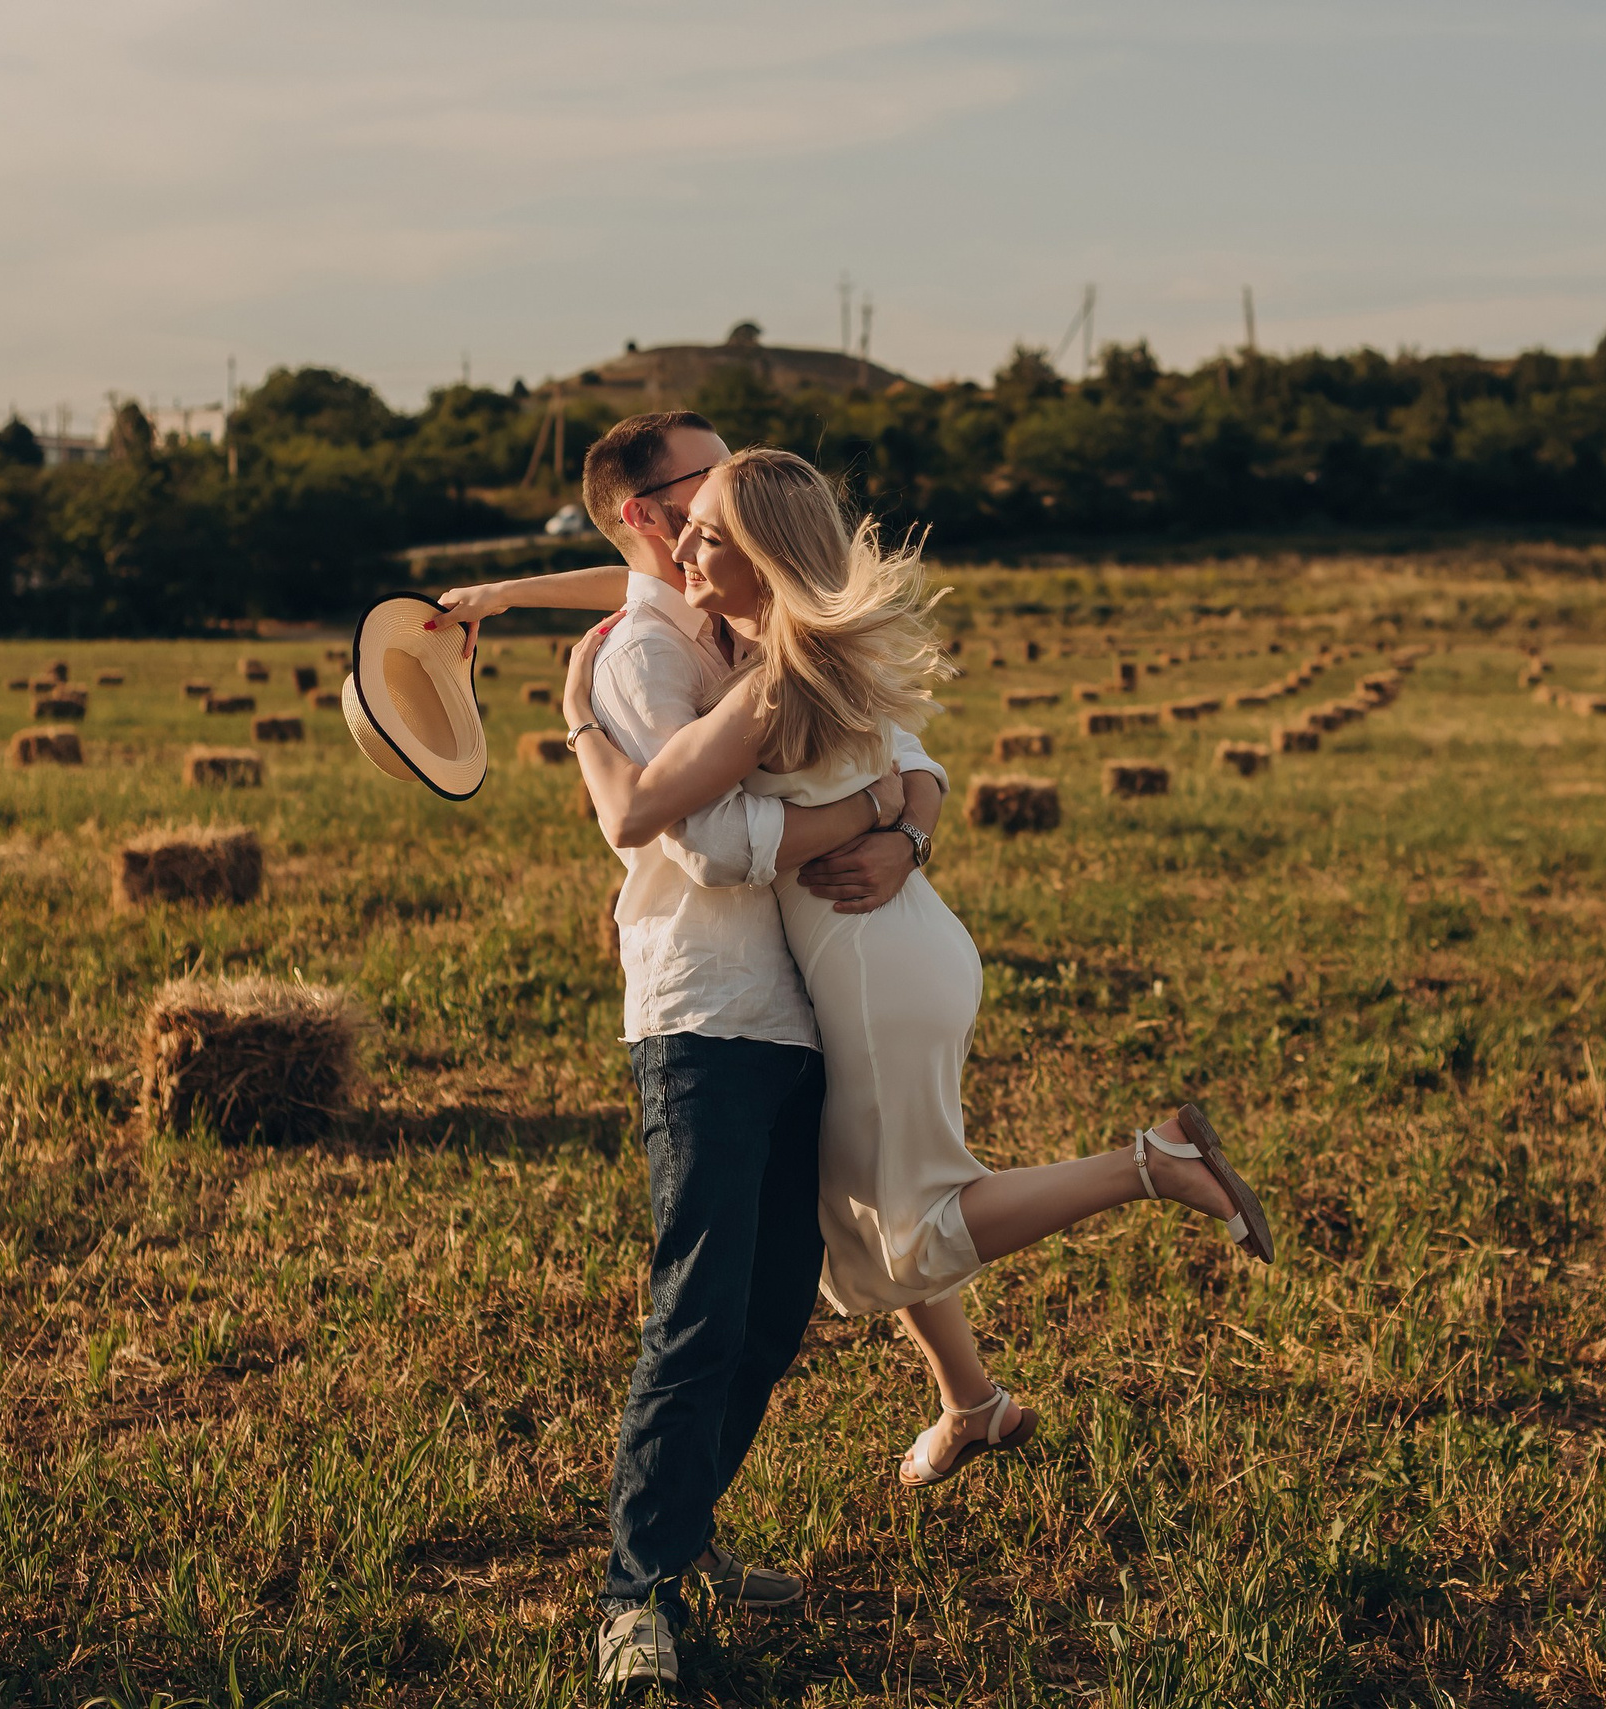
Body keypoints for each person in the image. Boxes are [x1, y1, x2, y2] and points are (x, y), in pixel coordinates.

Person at [542, 446, 1275, 1678]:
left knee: (899, 1236)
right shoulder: (685, 644)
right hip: (806, 983)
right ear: (645, 515)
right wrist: (888, 813)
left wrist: (894, 821)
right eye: (684, 515)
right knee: (779, 1285)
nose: (692, 543)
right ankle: (676, 1554)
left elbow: (672, 824)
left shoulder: (768, 666)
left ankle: (1148, 1165)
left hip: (861, 974)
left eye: (714, 523)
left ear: (755, 551)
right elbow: (858, 777)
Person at [434, 413, 948, 1694]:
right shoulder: (636, 651)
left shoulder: (742, 615)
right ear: (644, 515)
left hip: (809, 1004)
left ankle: (683, 1535)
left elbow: (904, 739)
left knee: (776, 1308)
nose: (723, 491)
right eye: (698, 481)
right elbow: (704, 841)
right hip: (706, 1011)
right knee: (700, 1306)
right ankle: (634, 1593)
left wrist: (905, 820)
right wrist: (864, 806)